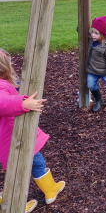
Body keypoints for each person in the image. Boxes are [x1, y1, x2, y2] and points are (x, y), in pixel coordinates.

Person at [0, 48, 65, 211]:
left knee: (30, 165)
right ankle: (14, 205)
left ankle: (48, 190)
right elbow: (3, 102)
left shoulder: (4, 83)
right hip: (13, 138)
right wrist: (23, 103)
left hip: (12, 136)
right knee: (23, 169)